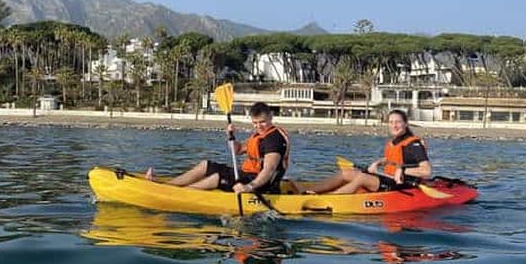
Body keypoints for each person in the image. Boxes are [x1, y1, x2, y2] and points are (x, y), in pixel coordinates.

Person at [145, 102, 290, 194]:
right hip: (246, 175)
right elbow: (238, 150)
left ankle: (177, 195)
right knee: (206, 165)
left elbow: (268, 170)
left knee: (217, 177)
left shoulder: (274, 140)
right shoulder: (260, 135)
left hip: (262, 184)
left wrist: (249, 187)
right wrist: (230, 136)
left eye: (262, 122)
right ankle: (165, 186)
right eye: (255, 123)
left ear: (270, 117)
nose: (258, 126)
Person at [307, 109, 431, 194]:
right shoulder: (392, 143)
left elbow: (426, 171)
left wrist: (403, 171)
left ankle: (331, 198)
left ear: (405, 124)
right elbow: (391, 160)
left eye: (398, 122)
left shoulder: (414, 144)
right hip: (388, 178)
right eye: (391, 122)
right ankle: (310, 190)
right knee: (346, 173)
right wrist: (378, 162)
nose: (394, 125)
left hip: (403, 184)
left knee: (362, 178)